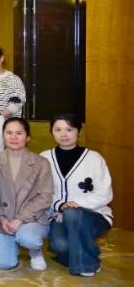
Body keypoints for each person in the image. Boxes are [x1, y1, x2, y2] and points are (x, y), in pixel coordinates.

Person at [43, 114, 113, 276]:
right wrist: (60, 204)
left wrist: (77, 204)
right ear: (51, 132)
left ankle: (86, 265)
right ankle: (83, 250)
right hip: (58, 216)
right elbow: (40, 191)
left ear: (79, 131)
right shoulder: (44, 158)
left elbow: (104, 194)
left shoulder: (94, 158)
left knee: (72, 213)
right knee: (61, 246)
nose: (63, 134)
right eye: (58, 129)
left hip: (94, 215)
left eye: (69, 129)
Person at [0, 117, 53, 271]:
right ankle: (13, 243)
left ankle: (35, 251)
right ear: (3, 136)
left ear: (27, 137)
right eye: (9, 133)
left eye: (19, 133)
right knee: (3, 263)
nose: (13, 137)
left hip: (32, 219)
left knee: (28, 238)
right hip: (4, 220)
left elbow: (45, 197)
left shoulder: (41, 162)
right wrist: (2, 218)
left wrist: (19, 219)